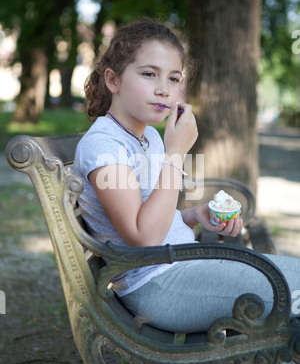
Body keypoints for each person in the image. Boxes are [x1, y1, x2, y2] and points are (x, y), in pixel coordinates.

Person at [74, 20, 300, 333]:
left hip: (180, 267)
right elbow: (144, 237)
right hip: (159, 286)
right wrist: (176, 155)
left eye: (174, 78)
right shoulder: (104, 145)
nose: (163, 88)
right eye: (149, 74)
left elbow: (153, 216)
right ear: (113, 80)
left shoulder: (148, 138)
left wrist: (193, 215)